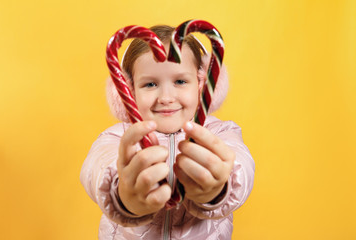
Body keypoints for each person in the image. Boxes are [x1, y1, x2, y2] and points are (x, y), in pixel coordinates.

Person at [80, 25, 255, 240]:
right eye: (150, 84)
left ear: (202, 85)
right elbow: (97, 167)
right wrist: (124, 194)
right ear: (128, 91)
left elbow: (243, 165)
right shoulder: (119, 138)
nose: (166, 97)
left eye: (180, 81)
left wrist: (218, 187)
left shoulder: (220, 132)